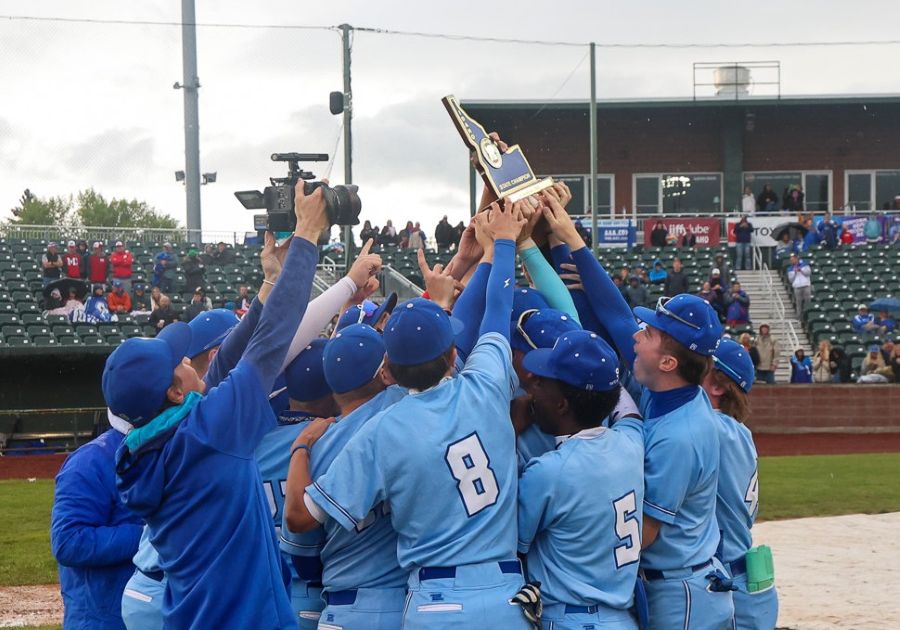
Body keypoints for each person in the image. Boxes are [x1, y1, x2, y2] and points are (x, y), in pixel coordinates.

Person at [284, 202, 535, 629]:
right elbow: (497, 309)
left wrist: (302, 446)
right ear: (454, 354)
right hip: (505, 597)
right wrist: (504, 243)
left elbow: (301, 518)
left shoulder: (383, 427)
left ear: (388, 372)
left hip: (437, 603)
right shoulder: (485, 383)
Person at [110, 183, 329, 628]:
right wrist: (306, 235)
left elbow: (226, 361)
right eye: (181, 362)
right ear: (174, 393)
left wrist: (269, 281)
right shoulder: (209, 430)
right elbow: (270, 344)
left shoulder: (146, 446)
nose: (190, 360)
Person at [537, 195, 735, 629]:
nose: (636, 333)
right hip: (676, 584)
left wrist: (569, 531)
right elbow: (612, 314)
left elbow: (641, 533)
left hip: (680, 592)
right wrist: (565, 238)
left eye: (648, 332)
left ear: (667, 361)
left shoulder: (680, 434)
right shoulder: (671, 387)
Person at [515, 331, 645, 629]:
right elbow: (628, 412)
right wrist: (605, 379)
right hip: (622, 619)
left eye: (542, 383)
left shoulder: (548, 471)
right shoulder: (630, 445)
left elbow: (511, 543)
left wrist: (508, 431)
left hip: (569, 619)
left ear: (562, 405)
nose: (534, 387)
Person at [283, 325, 408, 629]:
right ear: (384, 372)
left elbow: (304, 553)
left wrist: (300, 447)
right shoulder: (405, 406)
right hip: (406, 602)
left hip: (343, 607)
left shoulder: (318, 446)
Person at [702, 339, 779, 630]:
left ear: (718, 387)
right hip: (745, 579)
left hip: (732, 588)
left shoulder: (713, 429)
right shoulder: (737, 431)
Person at [50, 414, 143, 629]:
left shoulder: (170, 451)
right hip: (103, 618)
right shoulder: (91, 460)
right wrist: (148, 536)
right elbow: (69, 541)